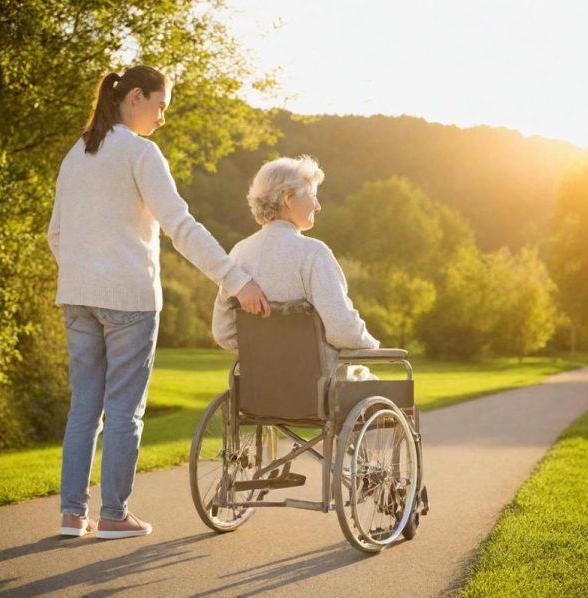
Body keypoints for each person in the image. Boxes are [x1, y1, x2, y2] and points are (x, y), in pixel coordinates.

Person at [47, 66, 270, 540]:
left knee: (84, 407)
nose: (163, 117)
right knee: (125, 409)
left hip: (77, 299)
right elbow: (180, 226)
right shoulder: (140, 153)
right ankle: (112, 516)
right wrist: (235, 279)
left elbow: (57, 235)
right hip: (128, 299)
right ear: (134, 98)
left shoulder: (76, 154)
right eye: (161, 105)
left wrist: (84, 272)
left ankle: (72, 515)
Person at [211, 155, 379, 367]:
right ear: (289, 198)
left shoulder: (238, 253)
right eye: (313, 195)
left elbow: (222, 332)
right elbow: (344, 331)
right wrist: (371, 344)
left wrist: (266, 352)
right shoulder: (313, 253)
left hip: (260, 384)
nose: (317, 206)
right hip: (320, 385)